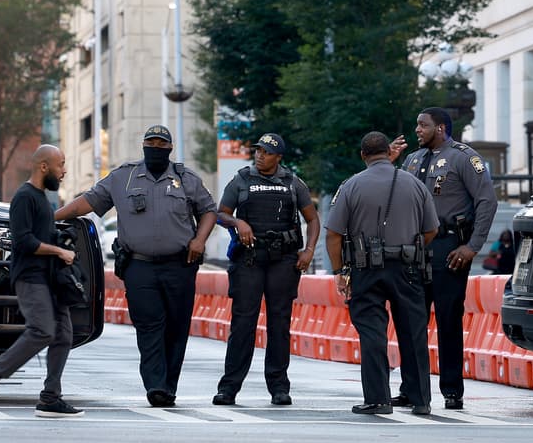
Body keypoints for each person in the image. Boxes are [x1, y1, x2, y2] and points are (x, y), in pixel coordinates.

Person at [54, 125, 217, 408]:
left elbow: (209, 211)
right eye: (150, 142)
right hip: (139, 267)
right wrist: (50, 218)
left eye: (161, 144)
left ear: (169, 148)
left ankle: (168, 386)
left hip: (180, 265)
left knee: (176, 327)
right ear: (143, 146)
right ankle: (155, 386)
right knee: (149, 325)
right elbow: (87, 203)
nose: (156, 147)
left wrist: (200, 240)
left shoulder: (185, 179)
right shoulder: (123, 177)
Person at [389, 107, 498, 410]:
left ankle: (452, 390)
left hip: (449, 247)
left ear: (439, 128)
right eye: (416, 124)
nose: (417, 130)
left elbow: (487, 202)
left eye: (422, 125)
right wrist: (389, 162)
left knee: (448, 320)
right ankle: (411, 388)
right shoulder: (412, 160)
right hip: (415, 248)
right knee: (411, 320)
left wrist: (472, 247)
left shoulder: (464, 157)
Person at [325, 131, 438, 416]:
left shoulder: (351, 185)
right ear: (389, 152)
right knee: (413, 332)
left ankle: (378, 399)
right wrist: (410, 248)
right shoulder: (414, 184)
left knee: (372, 332)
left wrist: (339, 270)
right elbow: (431, 229)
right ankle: (420, 399)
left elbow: (333, 234)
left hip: (366, 269)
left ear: (363, 155)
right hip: (408, 267)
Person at [0, 145, 83, 418]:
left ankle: (50, 398)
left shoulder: (42, 198)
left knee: (63, 335)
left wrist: (61, 240)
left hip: (50, 278)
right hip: (31, 277)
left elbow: (41, 236)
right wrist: (59, 251)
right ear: (44, 166)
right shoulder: (24, 197)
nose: (64, 170)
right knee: (42, 330)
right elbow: (24, 242)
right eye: (61, 164)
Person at [212, 132, 320, 406]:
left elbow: (312, 219)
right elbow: (220, 213)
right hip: (249, 259)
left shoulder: (293, 183)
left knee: (279, 324)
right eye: (258, 151)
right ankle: (229, 388)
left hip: (283, 260)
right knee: (243, 323)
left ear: (278, 157)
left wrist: (309, 250)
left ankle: (279, 387)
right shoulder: (241, 180)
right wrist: (238, 223)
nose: (260, 156)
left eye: (267, 152)